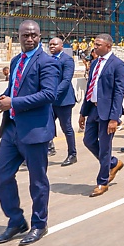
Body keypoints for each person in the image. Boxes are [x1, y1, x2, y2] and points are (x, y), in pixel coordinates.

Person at [0, 20, 59, 246]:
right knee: (2, 175)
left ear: (40, 36)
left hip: (35, 131)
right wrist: (2, 99)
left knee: (37, 182)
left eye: (34, 35)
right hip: (12, 129)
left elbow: (49, 94)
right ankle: (16, 220)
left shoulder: (47, 63)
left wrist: (13, 103)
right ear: (17, 36)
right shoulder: (16, 60)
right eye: (25, 35)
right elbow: (13, 89)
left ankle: (39, 224)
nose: (30, 39)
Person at [78, 34, 124, 197]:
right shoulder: (94, 64)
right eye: (95, 44)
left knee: (105, 148)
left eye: (98, 44)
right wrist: (83, 112)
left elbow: (119, 92)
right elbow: (89, 89)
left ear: (108, 46)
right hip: (93, 110)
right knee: (88, 141)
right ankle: (113, 163)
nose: (95, 47)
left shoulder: (118, 65)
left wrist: (114, 117)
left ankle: (102, 181)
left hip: (107, 113)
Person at [47, 37, 77, 166]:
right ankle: (46, 150)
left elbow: (66, 80)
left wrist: (53, 94)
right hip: (49, 101)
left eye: (54, 44)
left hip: (64, 100)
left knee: (66, 128)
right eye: (50, 45)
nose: (52, 47)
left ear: (61, 46)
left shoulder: (67, 60)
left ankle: (72, 154)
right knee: (45, 126)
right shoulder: (48, 60)